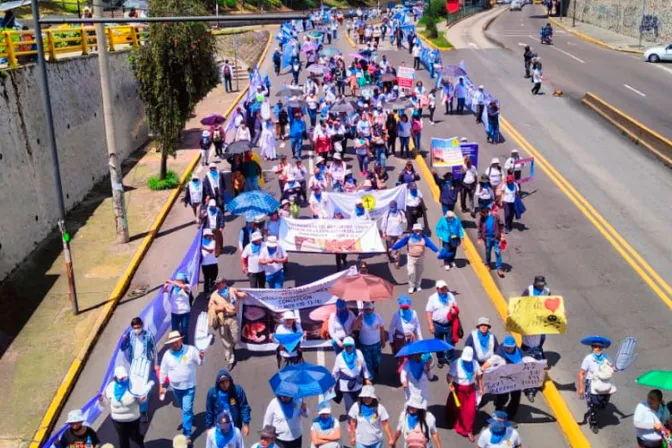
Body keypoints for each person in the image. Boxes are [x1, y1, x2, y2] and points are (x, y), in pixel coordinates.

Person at [159, 331, 205, 443]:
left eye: (176, 342)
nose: (174, 344)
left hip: (189, 386)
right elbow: (163, 371)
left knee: (187, 409)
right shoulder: (167, 355)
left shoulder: (191, 350)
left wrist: (201, 357)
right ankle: (189, 418)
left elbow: (200, 363)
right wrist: (161, 385)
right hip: (175, 388)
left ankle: (187, 434)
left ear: (181, 340)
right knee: (184, 407)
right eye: (172, 343)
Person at [120, 317, 158, 421]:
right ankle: (137, 405)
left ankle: (143, 412)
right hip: (134, 364)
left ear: (142, 325)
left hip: (145, 364)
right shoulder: (130, 335)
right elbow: (123, 348)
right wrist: (124, 340)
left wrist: (156, 364)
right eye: (134, 327)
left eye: (138, 327)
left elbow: (154, 350)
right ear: (132, 327)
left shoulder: (148, 335)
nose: (137, 329)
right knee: (134, 387)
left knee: (142, 390)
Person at [577, 335, 616, 434]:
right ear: (592, 347)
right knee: (592, 405)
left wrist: (616, 368)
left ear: (602, 348)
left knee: (602, 404)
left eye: (598, 347)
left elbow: (612, 367)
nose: (596, 349)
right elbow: (581, 373)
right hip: (591, 384)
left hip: (604, 383)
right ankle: (593, 422)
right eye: (594, 346)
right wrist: (581, 388)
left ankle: (598, 409)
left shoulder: (606, 357)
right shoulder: (588, 359)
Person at [102, 367, 146, 448]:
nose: (124, 379)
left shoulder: (133, 386)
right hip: (118, 421)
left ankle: (140, 444)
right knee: (123, 439)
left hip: (133, 419)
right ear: (115, 378)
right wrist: (101, 400)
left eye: (125, 377)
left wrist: (142, 398)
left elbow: (140, 402)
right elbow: (106, 403)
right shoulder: (110, 388)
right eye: (121, 378)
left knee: (135, 436)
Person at [483, 335, 523, 425]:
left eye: (510, 347)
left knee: (515, 399)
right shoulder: (500, 353)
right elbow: (491, 361)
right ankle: (498, 414)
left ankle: (510, 417)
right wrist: (483, 368)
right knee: (503, 398)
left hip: (516, 381)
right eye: (506, 347)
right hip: (503, 381)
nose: (508, 349)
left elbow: (527, 361)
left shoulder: (519, 353)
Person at [445, 347, 483, 442]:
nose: (466, 362)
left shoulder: (475, 364)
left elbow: (479, 376)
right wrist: (450, 384)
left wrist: (481, 388)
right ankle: (452, 420)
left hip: (470, 391)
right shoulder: (456, 363)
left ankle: (468, 430)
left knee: (470, 412)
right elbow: (449, 376)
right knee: (456, 409)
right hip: (458, 390)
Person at [208, 280, 247, 369]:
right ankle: (230, 359)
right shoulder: (214, 295)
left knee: (235, 338)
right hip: (222, 319)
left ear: (224, 283)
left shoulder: (232, 290)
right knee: (225, 340)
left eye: (219, 283)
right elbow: (210, 307)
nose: (217, 285)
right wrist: (218, 308)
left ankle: (232, 347)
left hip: (232, 318)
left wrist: (240, 294)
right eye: (216, 284)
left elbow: (245, 296)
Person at [392, 223, 440, 294]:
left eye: (419, 230)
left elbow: (430, 244)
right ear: (413, 230)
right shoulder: (408, 237)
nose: (417, 231)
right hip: (411, 258)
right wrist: (393, 247)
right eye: (416, 230)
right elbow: (401, 243)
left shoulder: (424, 237)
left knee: (419, 272)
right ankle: (411, 286)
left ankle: (417, 285)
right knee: (410, 272)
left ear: (421, 231)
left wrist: (437, 251)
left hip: (420, 258)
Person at [332, 336, 372, 414]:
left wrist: (367, 378)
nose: (348, 348)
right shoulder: (339, 357)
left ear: (353, 346)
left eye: (350, 346)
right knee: (349, 407)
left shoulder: (359, 354)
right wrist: (332, 383)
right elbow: (335, 372)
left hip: (358, 385)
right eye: (346, 346)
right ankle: (350, 424)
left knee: (360, 405)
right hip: (346, 386)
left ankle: (360, 422)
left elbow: (364, 366)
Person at [205, 371, 251, 435]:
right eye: (222, 382)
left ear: (230, 381)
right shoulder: (213, 393)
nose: (224, 384)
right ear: (218, 383)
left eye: (226, 381)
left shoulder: (237, 391)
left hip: (235, 425)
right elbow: (209, 411)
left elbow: (244, 407)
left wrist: (246, 424)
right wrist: (208, 427)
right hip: (220, 426)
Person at [425, 280, 458, 368]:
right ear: (437, 289)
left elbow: (455, 307)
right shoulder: (432, 298)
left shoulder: (450, 296)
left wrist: (454, 310)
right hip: (437, 325)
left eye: (445, 288)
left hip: (449, 325)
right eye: (442, 289)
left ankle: (450, 358)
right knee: (438, 343)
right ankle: (440, 359)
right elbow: (428, 312)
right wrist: (430, 325)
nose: (444, 290)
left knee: (450, 342)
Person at [352, 302, 385, 382]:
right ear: (363, 310)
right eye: (366, 310)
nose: (368, 311)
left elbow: (382, 329)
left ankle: (376, 367)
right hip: (365, 345)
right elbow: (354, 328)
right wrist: (358, 320)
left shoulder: (378, 317)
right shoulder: (361, 318)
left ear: (373, 309)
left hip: (376, 344)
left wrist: (383, 341)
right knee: (367, 362)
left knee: (377, 360)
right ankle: (370, 378)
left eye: (370, 309)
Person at [388, 295, 423, 360]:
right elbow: (391, 328)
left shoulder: (414, 313)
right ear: (400, 306)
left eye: (406, 307)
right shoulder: (396, 315)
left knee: (411, 356)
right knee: (401, 356)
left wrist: (421, 339)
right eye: (403, 308)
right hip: (400, 339)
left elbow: (417, 326)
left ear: (409, 306)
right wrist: (391, 340)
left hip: (411, 338)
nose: (405, 309)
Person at [477, 205, 506, 278]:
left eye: (483, 214)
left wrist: (502, 235)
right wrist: (479, 238)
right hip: (487, 238)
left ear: (487, 212)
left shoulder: (495, 216)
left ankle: (499, 268)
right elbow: (480, 229)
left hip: (496, 238)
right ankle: (488, 264)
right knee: (488, 252)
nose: (482, 215)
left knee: (497, 252)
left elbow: (501, 225)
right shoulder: (482, 218)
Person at [164, 272, 193, 344]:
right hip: (174, 313)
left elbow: (183, 287)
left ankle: (185, 345)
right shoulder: (173, 288)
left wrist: (171, 281)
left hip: (184, 313)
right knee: (175, 331)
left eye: (179, 280)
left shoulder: (187, 286)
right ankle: (177, 344)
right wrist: (165, 288)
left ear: (183, 281)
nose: (177, 281)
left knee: (184, 330)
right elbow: (165, 292)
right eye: (177, 280)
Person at [380, 201, 407, 268]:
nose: (392, 208)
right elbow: (384, 223)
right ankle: (389, 256)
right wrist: (383, 232)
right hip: (390, 234)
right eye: (391, 207)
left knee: (398, 248)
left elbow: (405, 221)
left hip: (399, 234)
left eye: (393, 207)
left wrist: (402, 220)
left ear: (396, 206)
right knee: (390, 248)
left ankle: (397, 263)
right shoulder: (387, 213)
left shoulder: (400, 213)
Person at [201, 229, 219, 293]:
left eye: (211, 235)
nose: (210, 237)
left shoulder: (213, 242)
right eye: (209, 235)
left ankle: (213, 290)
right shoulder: (200, 243)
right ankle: (206, 292)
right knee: (207, 279)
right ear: (205, 235)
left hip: (213, 262)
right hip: (205, 264)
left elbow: (211, 251)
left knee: (214, 278)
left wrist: (203, 248)